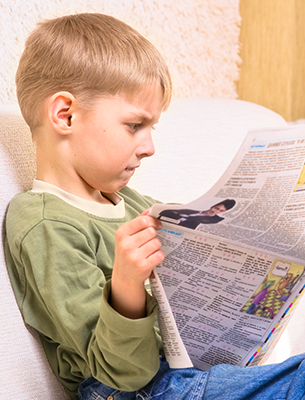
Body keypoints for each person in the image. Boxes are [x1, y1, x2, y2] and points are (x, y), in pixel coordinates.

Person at [4, 12, 305, 400]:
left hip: (191, 376)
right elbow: (122, 375)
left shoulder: (133, 203)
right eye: (135, 125)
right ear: (66, 114)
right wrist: (127, 283)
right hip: (136, 390)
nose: (149, 147)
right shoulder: (43, 221)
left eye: (152, 129)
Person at [158, 199, 236, 229]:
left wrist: (179, 216)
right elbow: (164, 212)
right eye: (216, 208)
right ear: (213, 205)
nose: (216, 211)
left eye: (220, 211)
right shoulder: (192, 210)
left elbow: (192, 224)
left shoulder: (215, 220)